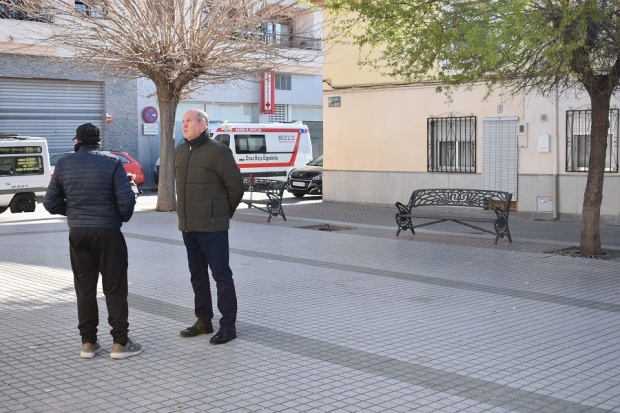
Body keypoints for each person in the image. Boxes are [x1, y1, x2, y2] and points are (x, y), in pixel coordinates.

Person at [44, 123, 143, 359]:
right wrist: (117, 216)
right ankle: (120, 343)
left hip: (78, 233)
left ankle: (88, 343)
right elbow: (127, 204)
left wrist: (75, 211)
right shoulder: (112, 162)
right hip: (108, 233)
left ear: (76, 141)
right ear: (98, 141)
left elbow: (50, 203)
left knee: (84, 288)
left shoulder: (64, 164)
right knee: (115, 288)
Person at [175, 109, 244, 344]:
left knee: (221, 276)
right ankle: (203, 321)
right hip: (188, 227)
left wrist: (222, 214)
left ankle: (229, 326)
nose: (184, 125)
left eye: (189, 121)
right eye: (183, 121)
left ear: (202, 124)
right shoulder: (180, 151)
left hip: (213, 228)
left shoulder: (219, 151)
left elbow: (236, 187)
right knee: (197, 276)